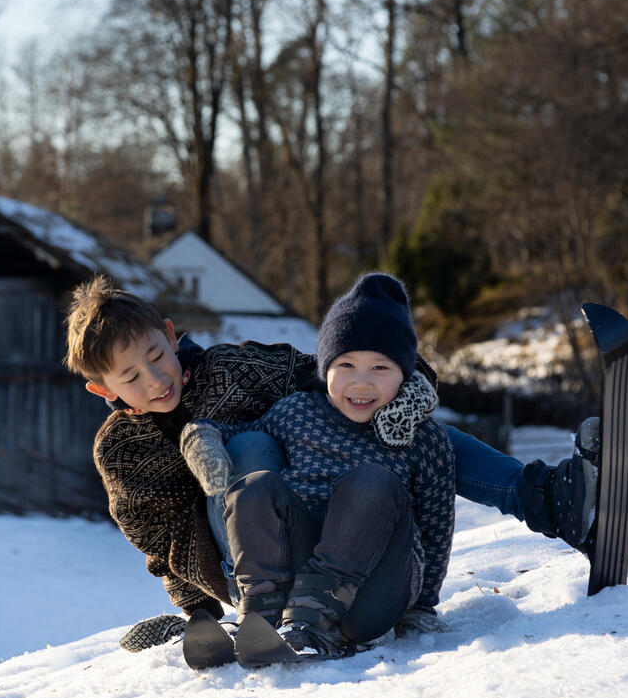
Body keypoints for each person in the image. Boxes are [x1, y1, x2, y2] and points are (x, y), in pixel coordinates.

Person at [62, 275, 599, 652]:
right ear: (102, 389)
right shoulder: (121, 451)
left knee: (406, 428)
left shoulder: (236, 368)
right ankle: (267, 607)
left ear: (170, 333)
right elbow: (158, 542)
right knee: (248, 453)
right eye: (131, 377)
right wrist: (197, 612)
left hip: (320, 520)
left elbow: (345, 366)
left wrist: (410, 389)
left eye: (158, 355)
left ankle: (542, 497)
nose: (156, 379)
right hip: (235, 562)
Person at [179, 273, 455, 656]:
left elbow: (437, 526)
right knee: (255, 486)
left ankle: (314, 623)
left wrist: (422, 608)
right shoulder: (298, 412)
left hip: (372, 593)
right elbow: (232, 432)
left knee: (372, 481)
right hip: (299, 583)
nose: (361, 383)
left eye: (380, 368)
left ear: (404, 375)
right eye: (346, 365)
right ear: (325, 368)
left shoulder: (422, 436)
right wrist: (199, 435)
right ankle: (261, 615)